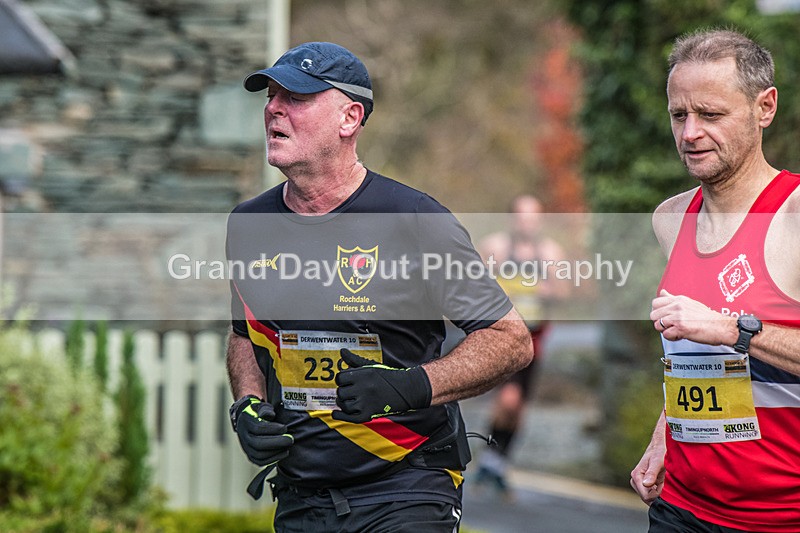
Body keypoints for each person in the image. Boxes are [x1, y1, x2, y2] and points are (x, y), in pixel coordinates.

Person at [224, 42, 532, 533]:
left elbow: (510, 340)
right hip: (303, 493)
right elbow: (246, 337)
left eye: (296, 98)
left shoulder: (414, 220)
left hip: (407, 485)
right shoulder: (248, 224)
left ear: (350, 118)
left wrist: (409, 386)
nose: (274, 109)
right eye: (272, 96)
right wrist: (247, 405)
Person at [630, 29, 800, 532]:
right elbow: (692, 357)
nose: (690, 133)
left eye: (711, 114)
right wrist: (666, 431)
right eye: (679, 115)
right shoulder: (670, 218)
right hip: (681, 507)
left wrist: (734, 329)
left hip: (781, 517)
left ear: (764, 107)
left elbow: (720, 332)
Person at [472, 195, 566, 497]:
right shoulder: (495, 247)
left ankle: (496, 463)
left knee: (520, 406)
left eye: (533, 217)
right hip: (502, 335)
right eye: (522, 216)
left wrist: (546, 287)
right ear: (512, 218)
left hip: (535, 337)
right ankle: (489, 458)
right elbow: (472, 283)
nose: (527, 222)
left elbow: (564, 293)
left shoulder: (550, 252)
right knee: (509, 399)